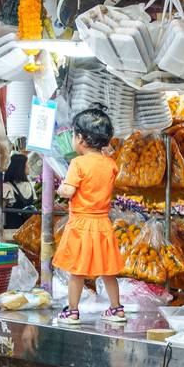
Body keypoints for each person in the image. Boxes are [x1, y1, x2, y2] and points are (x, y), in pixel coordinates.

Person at [52, 108, 124, 326]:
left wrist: (61, 189)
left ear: (81, 139)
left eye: (74, 135)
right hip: (103, 223)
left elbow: (69, 191)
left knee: (77, 271)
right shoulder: (110, 164)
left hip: (81, 224)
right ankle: (116, 309)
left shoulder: (78, 163)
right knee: (108, 271)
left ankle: (72, 312)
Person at [1, 152, 37, 231]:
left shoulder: (6, 186)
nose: (29, 167)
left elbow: (0, 211)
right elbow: (0, 212)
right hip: (24, 231)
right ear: (21, 167)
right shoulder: (8, 187)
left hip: (16, 230)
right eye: (27, 165)